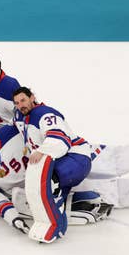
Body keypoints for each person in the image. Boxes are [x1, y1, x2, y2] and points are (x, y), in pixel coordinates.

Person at [12, 87, 92, 243]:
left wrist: (42, 151)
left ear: (32, 97)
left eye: (23, 100)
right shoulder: (20, 115)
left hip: (76, 157)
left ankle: (56, 226)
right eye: (17, 103)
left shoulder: (45, 114)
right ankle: (82, 200)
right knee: (40, 181)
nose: (21, 105)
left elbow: (60, 139)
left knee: (50, 181)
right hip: (59, 159)